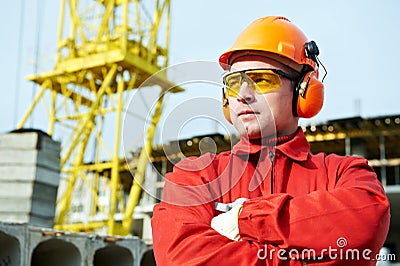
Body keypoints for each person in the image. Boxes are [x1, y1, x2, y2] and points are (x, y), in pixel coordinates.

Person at [151, 16, 390, 265]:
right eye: (233, 83)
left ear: (304, 90)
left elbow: (367, 219)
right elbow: (180, 256)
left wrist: (244, 219)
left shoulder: (346, 173)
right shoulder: (196, 176)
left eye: (262, 80)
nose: (243, 95)